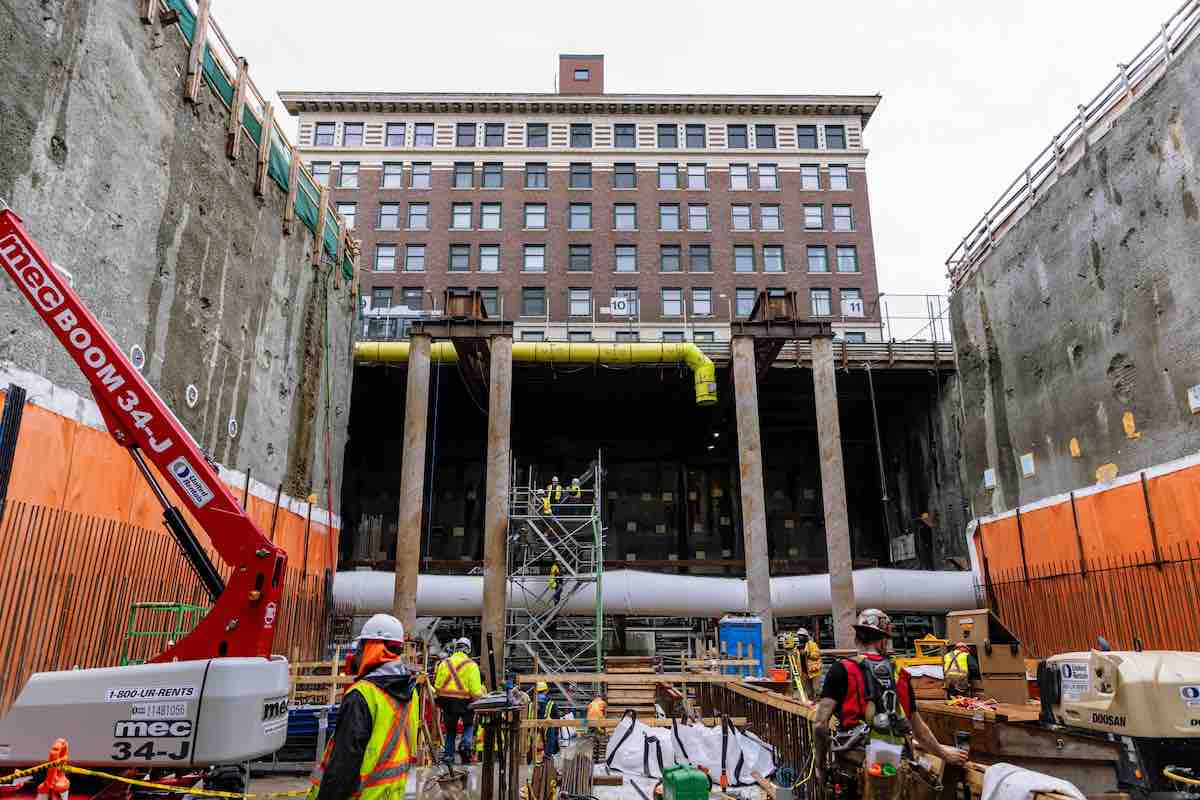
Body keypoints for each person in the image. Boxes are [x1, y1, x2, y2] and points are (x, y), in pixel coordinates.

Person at [814, 609, 965, 795]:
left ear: (857, 637)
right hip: (892, 772)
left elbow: (820, 725)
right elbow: (920, 732)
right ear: (883, 640)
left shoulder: (840, 670)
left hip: (852, 769)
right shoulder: (899, 675)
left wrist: (820, 766)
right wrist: (944, 753)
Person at [308, 614, 419, 800]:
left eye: (361, 646)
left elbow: (344, 764)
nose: (357, 653)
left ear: (374, 648)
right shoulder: (410, 692)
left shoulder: (361, 695)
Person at [434, 637, 484, 764]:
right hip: (464, 702)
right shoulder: (471, 665)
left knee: (450, 729)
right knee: (468, 724)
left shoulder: (444, 663)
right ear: (468, 650)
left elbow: (438, 685)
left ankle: (449, 756)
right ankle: (465, 745)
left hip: (446, 701)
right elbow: (475, 690)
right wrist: (478, 702)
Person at [527, 681, 562, 761]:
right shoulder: (551, 704)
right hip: (546, 744)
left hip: (532, 743)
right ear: (546, 691)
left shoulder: (530, 705)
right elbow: (557, 725)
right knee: (544, 763)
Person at [796, 628, 823, 699]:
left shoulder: (812, 644)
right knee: (808, 691)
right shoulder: (797, 647)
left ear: (806, 636)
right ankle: (811, 703)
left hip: (814, 671)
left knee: (816, 689)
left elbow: (817, 654)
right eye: (799, 635)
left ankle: (818, 703)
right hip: (804, 672)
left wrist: (807, 653)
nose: (800, 637)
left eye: (801, 635)